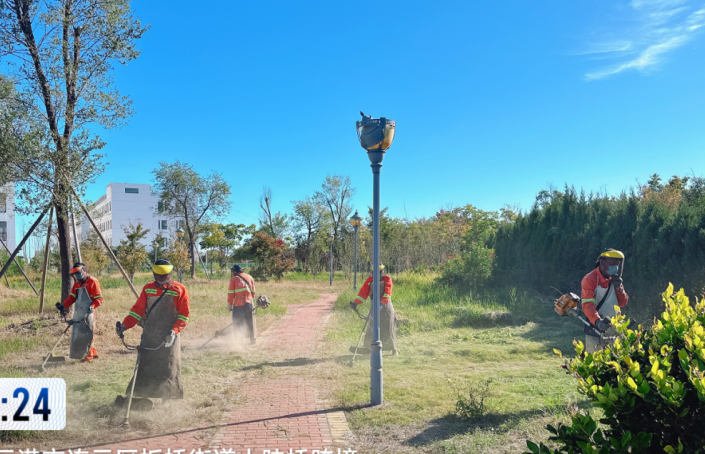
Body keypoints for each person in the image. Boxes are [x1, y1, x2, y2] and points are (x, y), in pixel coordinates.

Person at [116, 259, 190, 399]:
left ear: (170, 273)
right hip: (150, 335)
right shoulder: (148, 288)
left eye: (164, 276)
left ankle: (169, 399)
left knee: (169, 368)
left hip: (169, 337)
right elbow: (137, 311)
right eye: (158, 275)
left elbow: (184, 316)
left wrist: (174, 331)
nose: (160, 279)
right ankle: (140, 396)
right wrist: (125, 325)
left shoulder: (179, 289)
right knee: (146, 366)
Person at [581, 249, 629, 353]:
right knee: (595, 361)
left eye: (617, 264)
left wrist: (618, 288)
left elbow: (622, 303)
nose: (615, 268)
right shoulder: (590, 279)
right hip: (595, 328)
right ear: (602, 262)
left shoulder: (615, 279)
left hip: (615, 328)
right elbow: (587, 304)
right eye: (612, 264)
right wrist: (597, 321)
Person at [55, 262, 103, 362]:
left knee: (88, 333)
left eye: (78, 273)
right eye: (75, 274)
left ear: (84, 271)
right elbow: (72, 297)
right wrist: (63, 306)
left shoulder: (92, 281)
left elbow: (99, 298)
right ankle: (93, 352)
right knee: (80, 333)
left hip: (90, 313)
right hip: (79, 312)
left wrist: (92, 307)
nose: (77, 276)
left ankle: (88, 356)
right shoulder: (77, 284)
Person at [350, 264, 398, 355]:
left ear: (382, 272)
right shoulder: (370, 281)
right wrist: (355, 303)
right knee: (371, 328)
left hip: (386, 308)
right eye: (374, 273)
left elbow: (387, 293)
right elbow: (363, 293)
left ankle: (393, 349)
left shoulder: (387, 279)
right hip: (374, 308)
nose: (376, 274)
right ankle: (368, 348)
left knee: (388, 328)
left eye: (379, 272)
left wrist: (381, 304)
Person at [227, 264, 257, 344]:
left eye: (233, 271)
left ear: (235, 271)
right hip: (248, 303)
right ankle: (252, 339)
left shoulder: (233, 280)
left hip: (238, 305)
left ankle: (239, 340)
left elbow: (231, 294)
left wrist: (229, 304)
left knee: (237, 322)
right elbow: (253, 293)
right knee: (249, 321)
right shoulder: (249, 277)